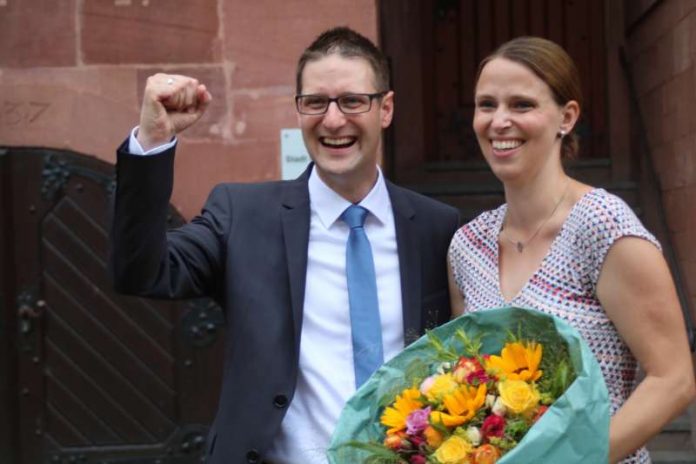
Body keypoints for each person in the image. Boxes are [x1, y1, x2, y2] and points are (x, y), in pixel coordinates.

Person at [110, 27, 460, 463]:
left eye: (352, 100)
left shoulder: (436, 227)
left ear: (385, 109)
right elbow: (141, 269)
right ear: (298, 111)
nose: (333, 120)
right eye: (315, 102)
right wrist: (153, 142)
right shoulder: (244, 216)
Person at [447, 36, 695, 463]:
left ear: (567, 116)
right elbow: (465, 382)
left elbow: (673, 380)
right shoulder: (467, 246)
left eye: (521, 105)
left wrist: (576, 459)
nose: (499, 121)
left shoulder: (601, 225)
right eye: (486, 105)